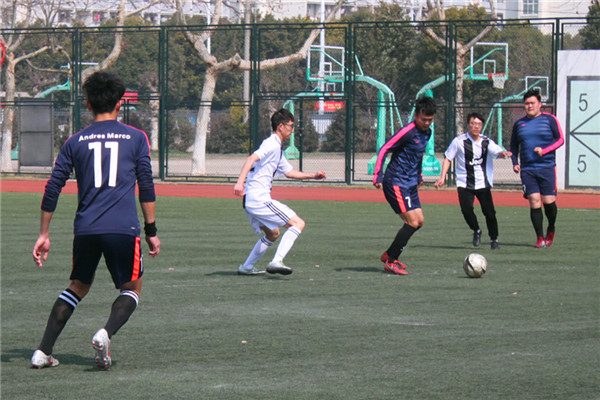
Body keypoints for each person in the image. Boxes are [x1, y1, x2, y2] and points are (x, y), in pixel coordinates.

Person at [31, 71, 161, 370]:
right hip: (123, 229)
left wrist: (43, 234)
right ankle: (106, 333)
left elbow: (53, 187)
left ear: (88, 104)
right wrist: (151, 230)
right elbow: (146, 185)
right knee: (131, 287)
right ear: (119, 103)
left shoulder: (75, 141)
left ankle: (42, 351)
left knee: (77, 287)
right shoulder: (136, 137)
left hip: (86, 229)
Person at [234, 108, 326, 276]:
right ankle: (276, 261)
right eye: (290, 126)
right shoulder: (271, 144)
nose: (292, 130)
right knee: (298, 223)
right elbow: (251, 159)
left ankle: (246, 267)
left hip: (250, 200)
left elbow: (289, 172)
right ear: (281, 126)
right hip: (259, 198)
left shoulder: (277, 149)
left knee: (273, 234)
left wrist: (313, 176)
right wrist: (240, 183)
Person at [372, 96, 437, 275]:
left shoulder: (427, 133)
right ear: (416, 115)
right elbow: (384, 148)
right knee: (412, 222)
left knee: (419, 221)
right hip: (396, 182)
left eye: (430, 120)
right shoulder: (408, 131)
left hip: (410, 183)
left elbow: (418, 155)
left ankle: (389, 254)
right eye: (424, 119)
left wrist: (419, 175)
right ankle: (391, 261)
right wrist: (378, 174)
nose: (427, 123)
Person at [434, 112, 512, 250]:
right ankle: (476, 230)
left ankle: (494, 239)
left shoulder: (486, 141)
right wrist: (442, 177)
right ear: (468, 125)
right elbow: (448, 158)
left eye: (479, 124)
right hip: (464, 183)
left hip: (482, 183)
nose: (476, 127)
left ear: (482, 126)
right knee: (466, 210)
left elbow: (497, 151)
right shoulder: (458, 141)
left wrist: (502, 153)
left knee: (489, 213)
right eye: (473, 123)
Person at [510, 89, 564, 248]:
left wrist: (545, 150)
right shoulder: (519, 124)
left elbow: (560, 139)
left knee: (549, 202)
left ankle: (551, 228)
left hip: (547, 167)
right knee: (534, 201)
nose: (529, 106)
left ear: (540, 104)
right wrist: (514, 162)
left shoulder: (550, 119)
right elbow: (514, 145)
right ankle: (539, 238)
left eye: (532, 103)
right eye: (527, 103)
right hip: (528, 169)